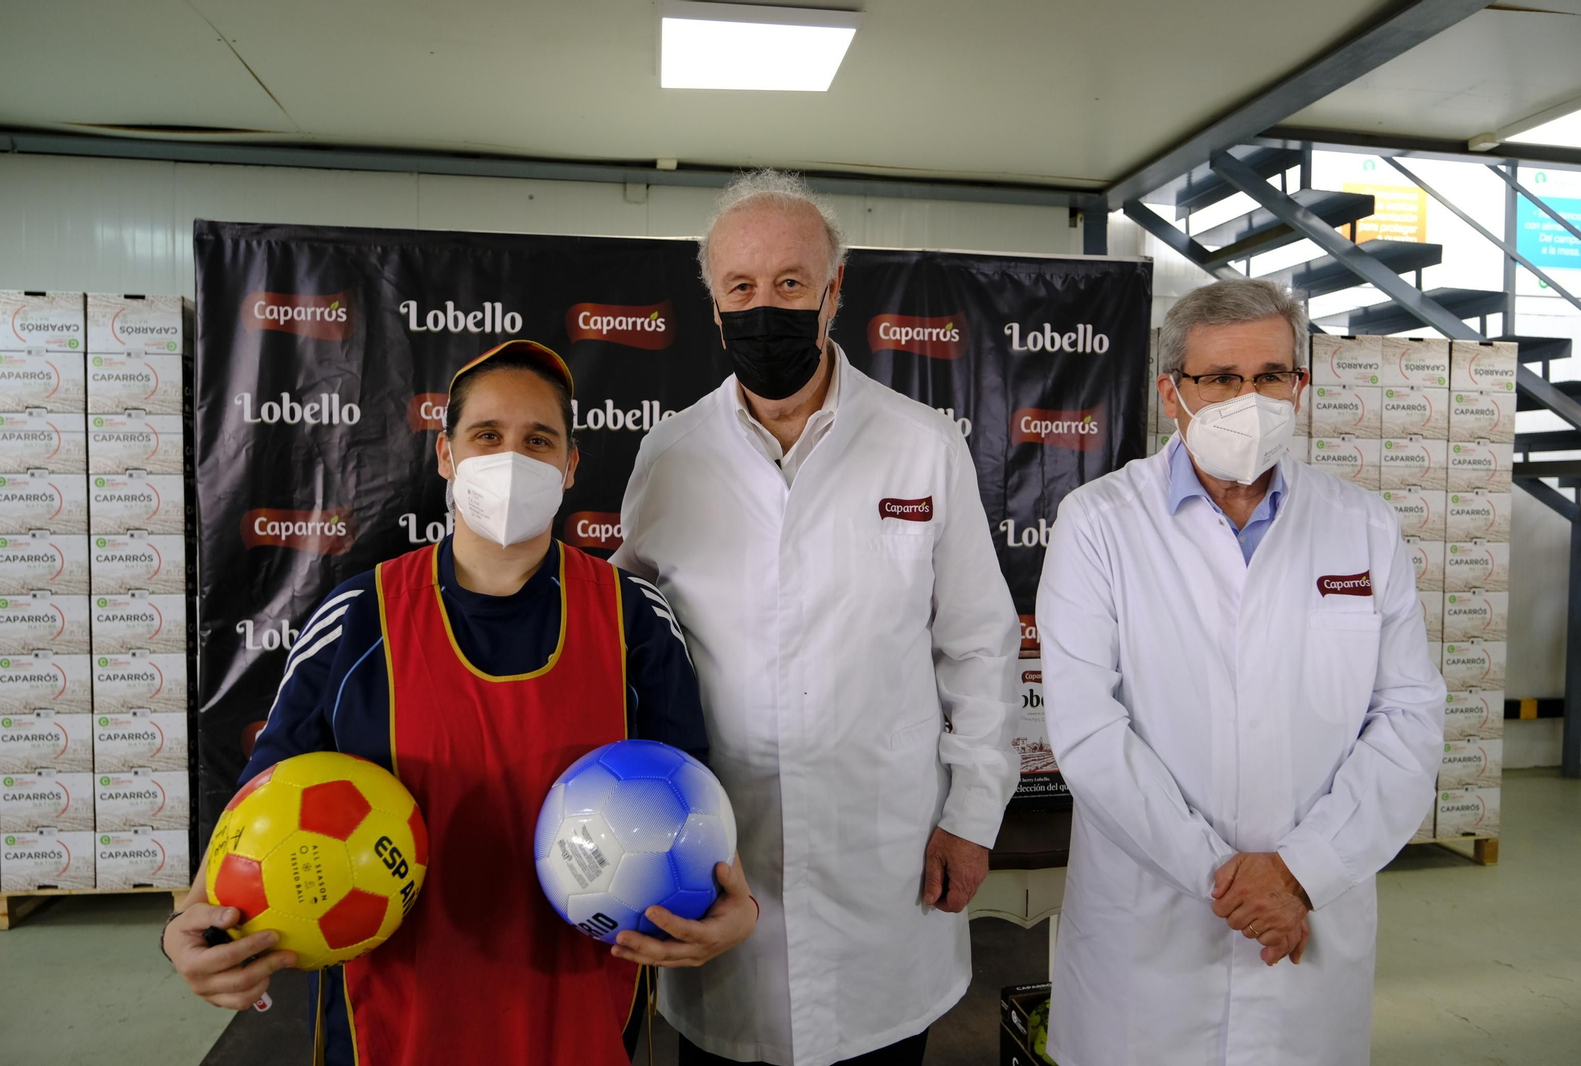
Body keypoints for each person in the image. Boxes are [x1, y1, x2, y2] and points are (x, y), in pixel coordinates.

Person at [162, 339, 757, 1065]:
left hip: (579, 1013)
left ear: (571, 466)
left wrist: (738, 908)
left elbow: (696, 803)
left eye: (539, 440)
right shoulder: (357, 618)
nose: (513, 458)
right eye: (487, 436)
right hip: (397, 1022)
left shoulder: (636, 619)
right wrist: (189, 923)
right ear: (446, 456)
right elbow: (264, 798)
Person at [611, 170, 1020, 1066]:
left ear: (835, 290)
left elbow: (982, 644)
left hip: (885, 859)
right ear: (715, 309)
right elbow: (621, 636)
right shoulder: (672, 455)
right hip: (721, 860)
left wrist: (974, 815)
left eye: (792, 284)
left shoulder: (922, 443)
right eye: (743, 289)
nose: (768, 308)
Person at [1035, 279, 1445, 1066]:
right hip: (1151, 932)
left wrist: (1298, 876)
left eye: (1271, 376)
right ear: (1171, 393)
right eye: (1220, 379)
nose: (1248, 398)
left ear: (1302, 385)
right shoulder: (1100, 523)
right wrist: (1232, 881)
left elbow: (1407, 720)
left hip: (1308, 921)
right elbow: (1089, 731)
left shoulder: (1363, 527)